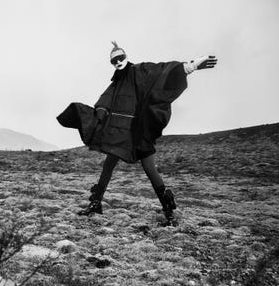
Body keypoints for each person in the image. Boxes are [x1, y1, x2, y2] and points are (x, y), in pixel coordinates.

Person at [57, 41, 217, 226]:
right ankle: (95, 203)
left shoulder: (140, 71)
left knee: (149, 168)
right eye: (113, 61)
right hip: (121, 133)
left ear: (126, 57)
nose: (117, 62)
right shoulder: (116, 80)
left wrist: (190, 66)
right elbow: (106, 98)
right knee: (108, 165)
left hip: (139, 131)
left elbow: (161, 72)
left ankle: (169, 211)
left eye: (120, 58)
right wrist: (100, 111)